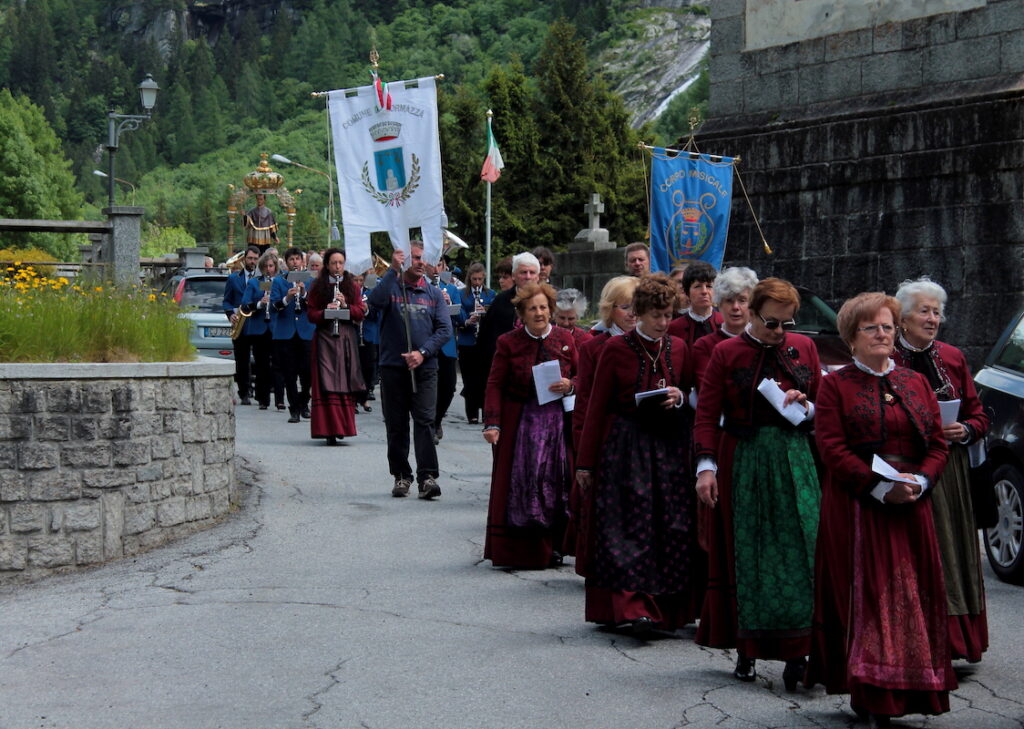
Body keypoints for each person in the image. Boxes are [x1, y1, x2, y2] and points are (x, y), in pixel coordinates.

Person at [806, 292, 954, 728]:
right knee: (869, 596)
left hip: (912, 504)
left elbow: (937, 442)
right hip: (859, 504)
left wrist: (921, 480)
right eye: (872, 327)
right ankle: (871, 692)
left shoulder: (916, 383)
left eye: (888, 326)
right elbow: (831, 447)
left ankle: (911, 688)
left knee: (912, 595)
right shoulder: (835, 384)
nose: (883, 334)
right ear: (852, 337)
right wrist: (877, 487)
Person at [693, 277, 821, 689]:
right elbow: (707, 414)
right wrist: (706, 467)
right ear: (750, 313)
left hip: (795, 459)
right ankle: (747, 649)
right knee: (748, 552)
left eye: (787, 322)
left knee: (802, 550)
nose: (780, 331)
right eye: (771, 323)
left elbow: (825, 404)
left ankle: (799, 651)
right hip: (744, 459)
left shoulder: (804, 348)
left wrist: (808, 403)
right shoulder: (726, 352)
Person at [575, 274, 702, 634]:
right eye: (657, 316)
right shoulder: (615, 350)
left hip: (670, 448)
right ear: (640, 313)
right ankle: (631, 607)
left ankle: (668, 608)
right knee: (628, 527)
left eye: (668, 316)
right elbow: (596, 406)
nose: (663, 323)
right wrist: (585, 462)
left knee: (670, 526)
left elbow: (692, 395)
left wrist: (680, 396)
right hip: (626, 447)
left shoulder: (680, 348)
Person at [893, 277, 989, 663]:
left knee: (950, 552)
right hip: (905, 468)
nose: (933, 319)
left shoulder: (952, 357)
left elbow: (978, 414)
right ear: (902, 318)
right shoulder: (887, 357)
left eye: (937, 312)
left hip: (949, 474)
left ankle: (953, 641)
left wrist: (965, 429)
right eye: (924, 311)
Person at [482, 282, 577, 569]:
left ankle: (556, 545)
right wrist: (493, 422)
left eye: (544, 307)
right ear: (522, 313)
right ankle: (524, 548)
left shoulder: (566, 339)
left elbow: (585, 377)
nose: (539, 313)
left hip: (557, 424)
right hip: (521, 423)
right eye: (533, 308)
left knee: (557, 483)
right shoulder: (508, 342)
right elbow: (495, 383)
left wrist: (570, 385)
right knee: (525, 484)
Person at [368, 243, 453, 499]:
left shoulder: (434, 293)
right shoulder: (391, 287)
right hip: (393, 367)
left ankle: (427, 477)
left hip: (425, 368)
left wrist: (422, 352)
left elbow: (444, 330)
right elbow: (374, 302)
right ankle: (401, 476)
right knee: (396, 425)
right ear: (405, 260)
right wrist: (392, 271)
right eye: (414, 258)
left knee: (425, 422)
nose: (419, 262)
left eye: (422, 258)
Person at [566, 276, 638, 568]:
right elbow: (585, 402)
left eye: (637, 306)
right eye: (625, 307)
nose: (632, 313)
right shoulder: (594, 347)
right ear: (610, 309)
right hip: (606, 435)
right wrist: (583, 449)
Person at [305, 248, 366, 445]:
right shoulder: (317, 286)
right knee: (326, 382)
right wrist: (325, 312)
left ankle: (342, 428)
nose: (337, 267)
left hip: (345, 338)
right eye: (333, 263)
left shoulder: (351, 286)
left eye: (340, 263)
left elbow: (359, 313)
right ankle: (328, 429)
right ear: (327, 265)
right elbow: (311, 315)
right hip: (325, 338)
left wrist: (345, 305)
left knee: (344, 381)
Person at [476, 252, 541, 392]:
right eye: (523, 272)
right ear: (514, 275)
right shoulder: (500, 302)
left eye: (532, 272)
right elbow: (486, 339)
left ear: (538, 276)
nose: (528, 277)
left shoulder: (548, 300)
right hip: (506, 375)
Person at [691, 267, 758, 389]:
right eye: (729, 301)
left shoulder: (763, 341)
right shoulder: (704, 346)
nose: (735, 307)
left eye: (742, 300)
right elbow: (707, 390)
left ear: (752, 305)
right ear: (719, 304)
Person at [270, 247, 314, 423]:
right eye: (291, 260)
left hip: (306, 332)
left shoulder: (310, 281)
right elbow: (274, 307)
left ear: (302, 262)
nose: (295, 262)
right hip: (286, 333)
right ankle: (294, 409)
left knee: (308, 373)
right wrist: (287, 298)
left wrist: (303, 293)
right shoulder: (279, 282)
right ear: (286, 263)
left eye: (297, 259)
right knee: (289, 373)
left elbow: (314, 305)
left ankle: (304, 402)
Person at [239, 250, 282, 410]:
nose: (269, 269)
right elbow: (244, 304)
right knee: (262, 364)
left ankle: (279, 400)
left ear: (275, 267)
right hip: (259, 328)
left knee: (277, 364)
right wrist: (259, 304)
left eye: (271, 266)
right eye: (265, 266)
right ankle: (263, 399)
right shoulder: (254, 283)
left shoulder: (280, 281)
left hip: (276, 327)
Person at [457, 262, 496, 424]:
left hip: (484, 342)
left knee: (485, 378)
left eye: (480, 279)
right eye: (474, 279)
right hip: (467, 340)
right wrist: (467, 320)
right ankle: (471, 413)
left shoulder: (490, 294)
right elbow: (458, 312)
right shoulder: (462, 294)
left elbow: (494, 315)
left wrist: (484, 316)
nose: (477, 283)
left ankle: (486, 412)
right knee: (469, 379)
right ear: (469, 278)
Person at [222, 246, 261, 404]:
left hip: (258, 323)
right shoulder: (233, 278)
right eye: (250, 258)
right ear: (244, 259)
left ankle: (259, 392)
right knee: (242, 359)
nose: (252, 261)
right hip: (240, 324)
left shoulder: (262, 279)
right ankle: (244, 392)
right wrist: (231, 314)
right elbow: (226, 300)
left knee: (260, 359)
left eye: (255, 259)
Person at [429, 257, 461, 444]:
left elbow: (461, 318)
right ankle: (429, 424)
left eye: (439, 264)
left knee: (448, 388)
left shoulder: (452, 289)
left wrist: (448, 304)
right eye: (432, 263)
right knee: (428, 388)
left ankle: (437, 419)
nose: (435, 268)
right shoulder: (421, 288)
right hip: (426, 345)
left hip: (447, 347)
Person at [668, 261, 723, 346]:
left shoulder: (725, 322)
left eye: (709, 286)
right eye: (697, 286)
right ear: (687, 292)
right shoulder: (674, 328)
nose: (704, 291)